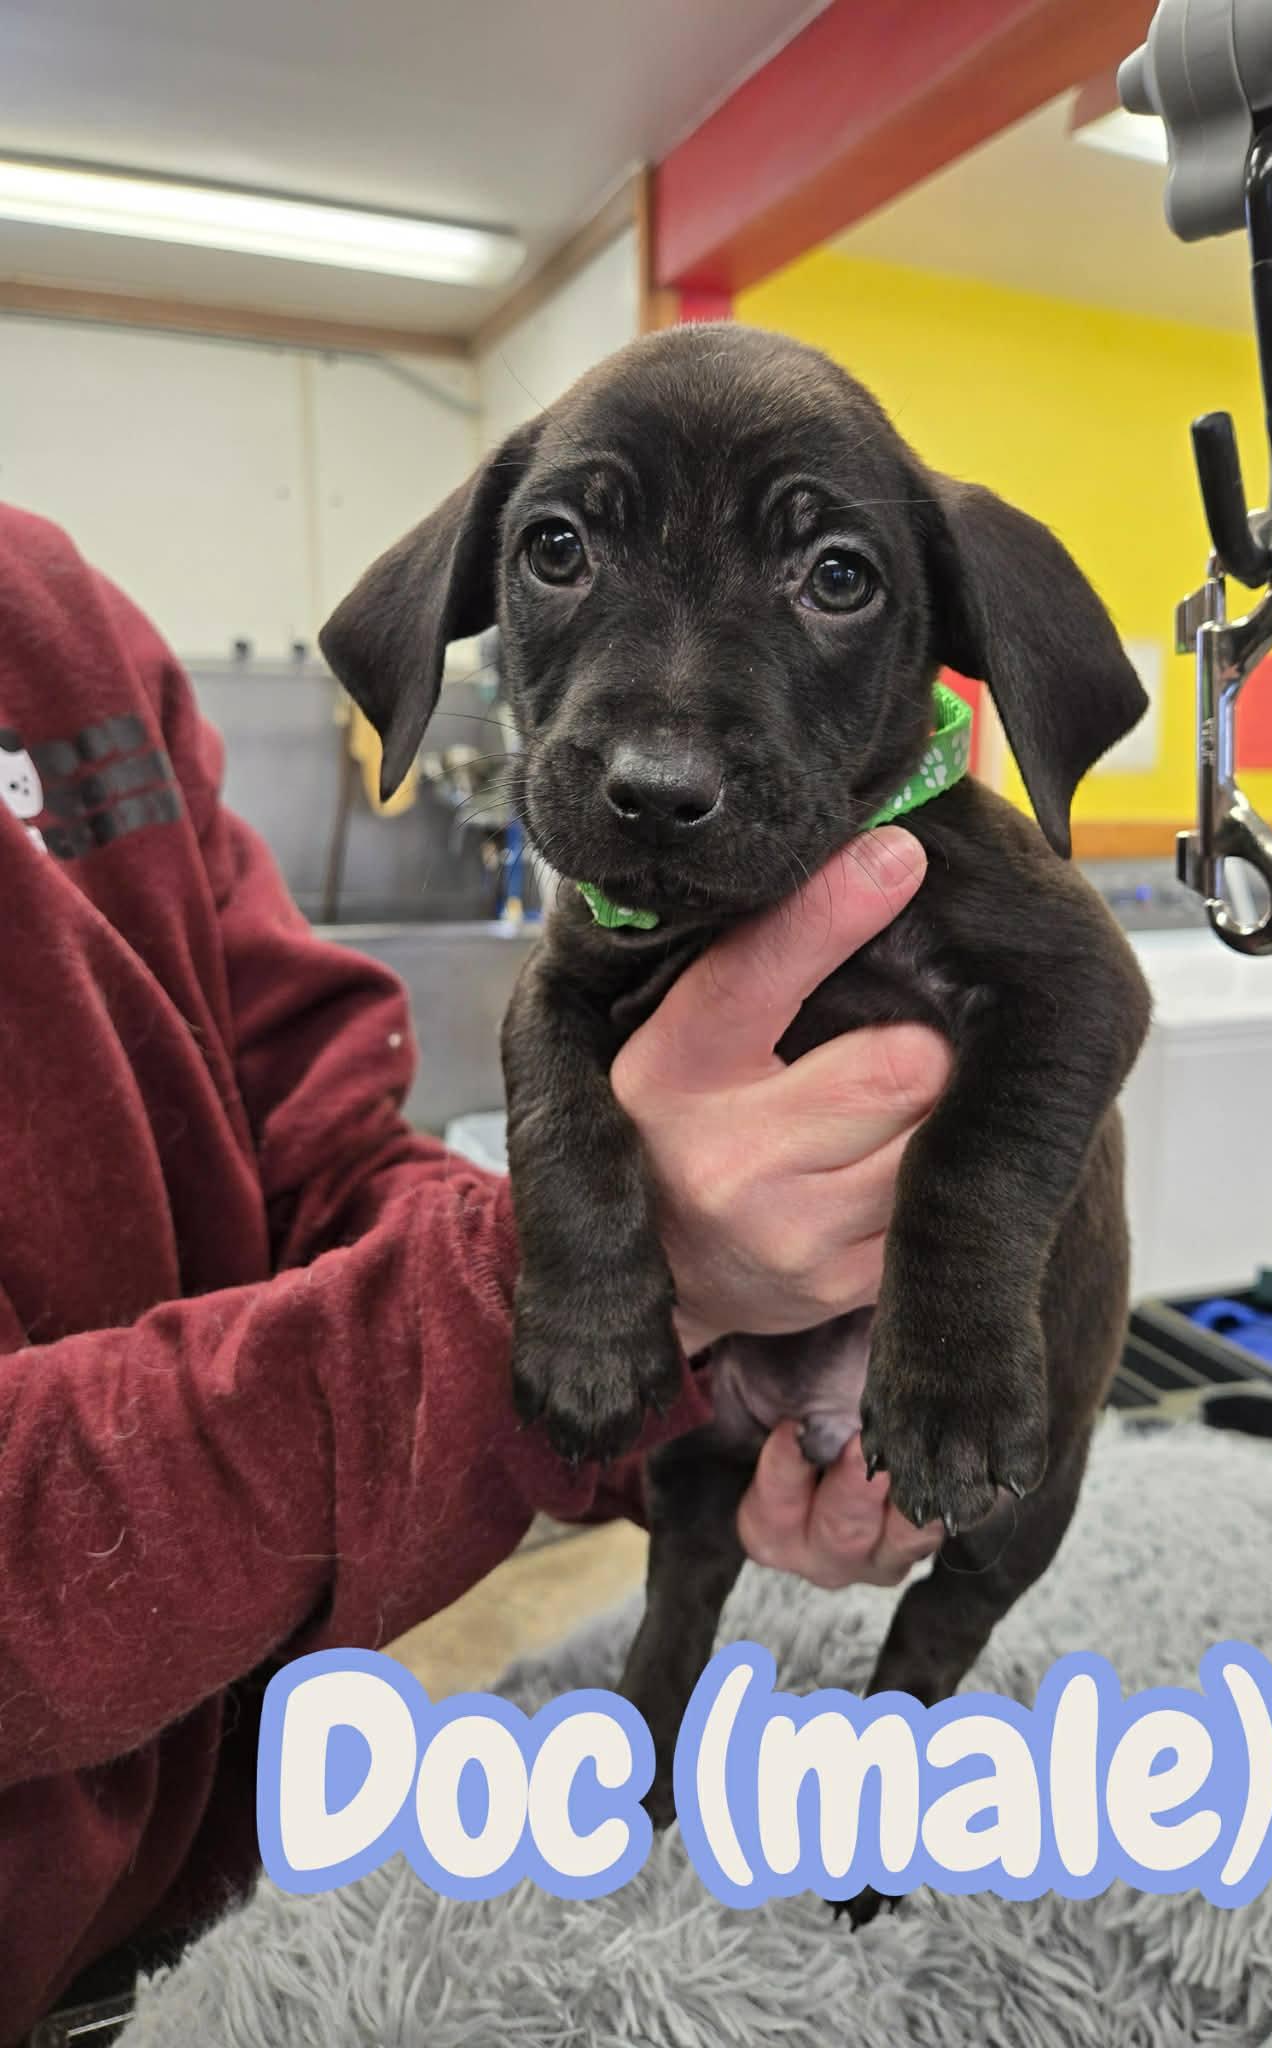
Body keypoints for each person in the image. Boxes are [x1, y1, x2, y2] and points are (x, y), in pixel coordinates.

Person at [0, 504, 951, 2040]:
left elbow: (309, 1142)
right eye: (566, 556)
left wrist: (712, 1391)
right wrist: (602, 1274)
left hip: (237, 1872)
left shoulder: (43, 615)